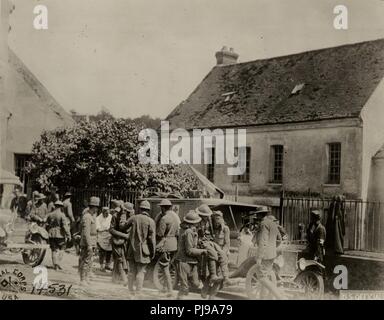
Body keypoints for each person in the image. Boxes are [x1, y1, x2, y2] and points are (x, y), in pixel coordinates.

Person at [124, 200, 156, 296]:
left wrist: (123, 214)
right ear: (148, 210)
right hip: (143, 250)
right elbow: (152, 239)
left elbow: (123, 227)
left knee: (131, 271)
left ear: (140, 208)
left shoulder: (133, 218)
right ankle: (138, 292)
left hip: (131, 249)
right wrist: (153, 251)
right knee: (141, 272)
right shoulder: (151, 221)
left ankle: (130, 291)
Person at [253, 207, 285, 300]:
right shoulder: (273, 223)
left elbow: (263, 241)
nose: (256, 216)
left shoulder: (263, 224)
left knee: (262, 278)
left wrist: (259, 257)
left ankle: (280, 297)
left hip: (265, 256)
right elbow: (279, 239)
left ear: (260, 215)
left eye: (257, 214)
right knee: (266, 277)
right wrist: (273, 248)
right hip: (271, 255)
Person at [175, 210, 207, 300]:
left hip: (192, 261)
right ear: (195, 223)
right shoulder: (188, 232)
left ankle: (185, 285)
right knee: (184, 287)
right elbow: (189, 250)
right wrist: (202, 251)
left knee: (196, 284)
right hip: (184, 261)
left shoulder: (193, 231)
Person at [154, 199, 180, 296]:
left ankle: (170, 290)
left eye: (161, 207)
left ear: (163, 208)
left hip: (165, 244)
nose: (161, 209)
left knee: (164, 267)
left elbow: (160, 234)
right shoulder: (175, 218)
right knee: (168, 267)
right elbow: (177, 233)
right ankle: (165, 288)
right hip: (174, 244)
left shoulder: (164, 218)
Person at [79, 196, 100, 286]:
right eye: (96, 207)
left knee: (90, 260)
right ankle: (82, 279)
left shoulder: (91, 216)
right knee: (85, 260)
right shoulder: (87, 217)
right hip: (88, 242)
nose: (97, 209)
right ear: (94, 207)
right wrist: (89, 245)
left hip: (92, 241)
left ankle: (86, 277)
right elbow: (86, 232)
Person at [46, 200, 71, 270]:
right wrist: (68, 235)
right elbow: (65, 226)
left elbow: (47, 224)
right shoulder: (62, 215)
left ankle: (54, 265)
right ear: (60, 207)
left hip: (51, 234)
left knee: (53, 250)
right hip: (60, 234)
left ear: (55, 206)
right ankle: (58, 263)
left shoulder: (50, 214)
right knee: (62, 248)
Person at [109, 199, 129, 284]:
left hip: (123, 241)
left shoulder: (126, 216)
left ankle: (114, 278)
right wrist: (124, 235)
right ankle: (124, 280)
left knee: (118, 259)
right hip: (117, 240)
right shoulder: (115, 216)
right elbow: (111, 230)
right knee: (120, 259)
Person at [212, 211, 230, 285]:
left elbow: (227, 243)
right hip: (213, 250)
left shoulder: (225, 229)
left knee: (223, 260)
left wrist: (223, 252)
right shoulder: (211, 228)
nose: (217, 221)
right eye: (215, 219)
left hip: (222, 249)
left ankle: (226, 278)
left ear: (221, 219)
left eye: (218, 218)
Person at [96, 207, 113, 271]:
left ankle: (107, 265)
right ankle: (101, 266)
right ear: (102, 212)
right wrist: (105, 229)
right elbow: (98, 229)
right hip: (101, 236)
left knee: (109, 251)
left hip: (109, 236)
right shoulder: (98, 218)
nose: (107, 214)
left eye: (108, 213)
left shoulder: (110, 216)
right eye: (105, 213)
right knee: (102, 252)